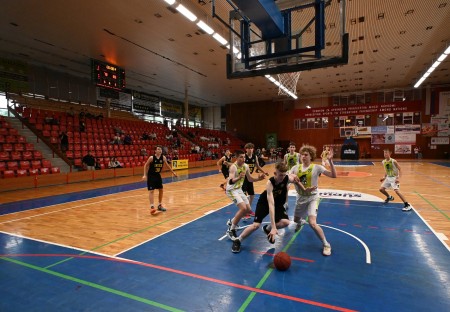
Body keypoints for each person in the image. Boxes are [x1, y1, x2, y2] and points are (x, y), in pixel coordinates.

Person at [231, 162, 299, 253]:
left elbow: (292, 176)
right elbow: (271, 205)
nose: (282, 177)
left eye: (284, 175)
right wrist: (274, 227)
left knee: (286, 222)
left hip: (278, 204)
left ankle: (267, 228)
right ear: (275, 173)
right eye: (280, 175)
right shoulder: (270, 183)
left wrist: (295, 176)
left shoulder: (286, 178)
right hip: (265, 203)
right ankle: (238, 240)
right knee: (256, 225)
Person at [289, 144, 337, 256]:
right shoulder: (295, 168)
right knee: (296, 220)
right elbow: (289, 178)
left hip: (312, 197)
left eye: (306, 155)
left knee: (312, 223)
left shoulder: (317, 167)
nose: (303, 157)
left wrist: (330, 161)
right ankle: (300, 222)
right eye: (302, 155)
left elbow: (333, 175)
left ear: (311, 156)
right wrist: (291, 179)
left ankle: (326, 244)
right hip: (300, 197)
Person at [225, 149, 266, 240]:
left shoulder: (246, 166)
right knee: (243, 208)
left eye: (244, 157)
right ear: (236, 157)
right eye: (241, 157)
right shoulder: (233, 167)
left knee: (248, 209)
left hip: (238, 189)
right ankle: (231, 230)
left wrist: (259, 179)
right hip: (231, 190)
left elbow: (250, 179)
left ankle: (232, 221)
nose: (243, 159)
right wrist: (239, 177)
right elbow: (230, 182)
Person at [142, 145, 178, 214]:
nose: (160, 150)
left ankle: (159, 205)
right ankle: (152, 207)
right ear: (155, 151)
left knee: (161, 190)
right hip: (151, 176)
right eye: (158, 149)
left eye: (160, 149)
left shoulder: (163, 158)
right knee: (151, 191)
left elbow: (167, 166)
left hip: (158, 175)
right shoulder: (151, 158)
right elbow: (145, 165)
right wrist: (144, 175)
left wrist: (173, 172)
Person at [242, 142, 269, 218]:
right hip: (242, 178)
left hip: (249, 178)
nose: (250, 150)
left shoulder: (255, 157)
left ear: (253, 149)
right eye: (248, 148)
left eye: (251, 148)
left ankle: (248, 210)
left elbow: (258, 166)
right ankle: (244, 213)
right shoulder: (244, 157)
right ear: (246, 149)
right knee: (244, 196)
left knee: (252, 195)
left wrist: (264, 172)